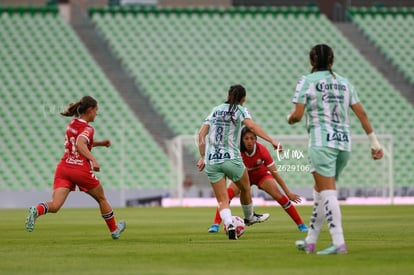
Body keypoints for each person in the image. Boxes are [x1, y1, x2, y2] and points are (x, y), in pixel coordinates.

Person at [287, 44, 383, 254]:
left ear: (312, 61)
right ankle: (310, 241)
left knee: (328, 192)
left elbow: (297, 115)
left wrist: (290, 119)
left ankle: (338, 242)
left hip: (322, 143)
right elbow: (362, 114)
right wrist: (374, 143)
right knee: (321, 191)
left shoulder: (308, 81)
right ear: (332, 61)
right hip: (343, 144)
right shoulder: (345, 83)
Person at [25, 96, 126, 240]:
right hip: (80, 170)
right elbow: (80, 144)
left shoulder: (72, 124)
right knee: (102, 199)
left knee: (55, 205)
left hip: (64, 168)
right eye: (96, 110)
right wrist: (94, 160)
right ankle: (114, 230)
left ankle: (37, 210)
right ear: (90, 110)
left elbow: (78, 143)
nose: (96, 113)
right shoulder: (88, 128)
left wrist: (100, 144)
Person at [197, 84, 281, 240]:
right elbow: (252, 127)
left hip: (212, 160)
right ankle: (249, 217)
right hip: (231, 159)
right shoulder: (241, 110)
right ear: (244, 99)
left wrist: (203, 156)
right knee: (245, 187)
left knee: (222, 200)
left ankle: (229, 223)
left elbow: (201, 133)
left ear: (228, 95)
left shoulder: (215, 110)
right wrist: (271, 140)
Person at [207, 127, 308, 233]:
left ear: (256, 139)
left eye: (252, 138)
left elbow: (275, 173)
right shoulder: (236, 151)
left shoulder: (262, 151)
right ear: (241, 140)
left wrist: (288, 193)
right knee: (227, 195)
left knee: (279, 196)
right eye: (246, 138)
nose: (249, 141)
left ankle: (301, 225)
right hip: (242, 176)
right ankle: (215, 225)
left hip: (261, 176)